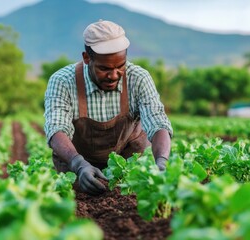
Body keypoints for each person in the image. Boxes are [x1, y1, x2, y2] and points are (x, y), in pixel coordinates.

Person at [44, 20, 173, 195]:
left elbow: (158, 123)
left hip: (126, 164)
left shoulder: (139, 78)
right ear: (87, 58)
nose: (114, 75)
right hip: (77, 165)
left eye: (120, 66)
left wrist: (162, 162)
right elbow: (56, 128)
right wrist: (78, 165)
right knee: (77, 203)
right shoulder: (63, 81)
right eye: (104, 68)